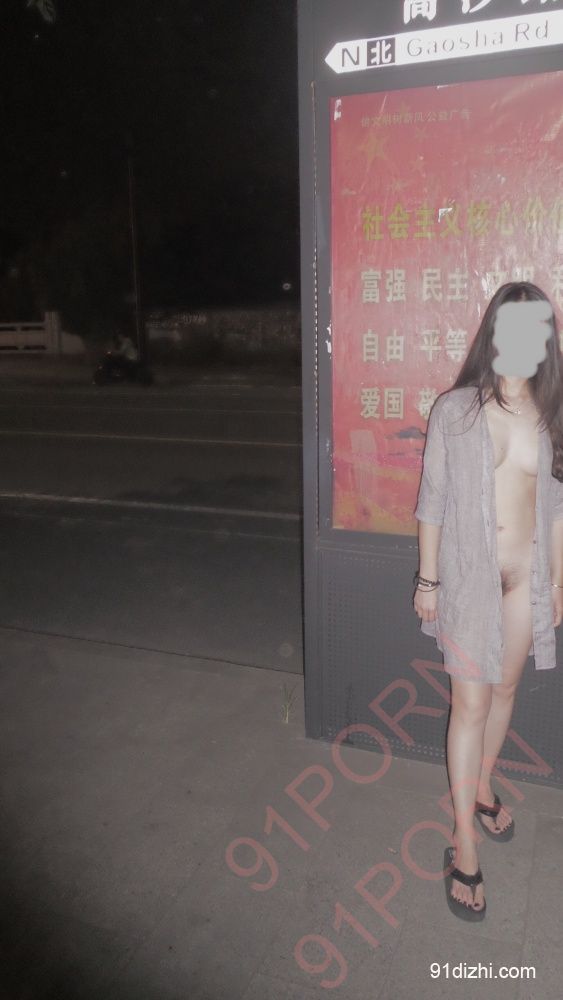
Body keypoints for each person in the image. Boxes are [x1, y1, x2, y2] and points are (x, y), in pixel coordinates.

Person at [413, 281, 563, 921]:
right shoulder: (455, 410)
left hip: (526, 581)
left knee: (503, 693)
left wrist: (558, 583)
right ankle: (463, 841)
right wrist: (428, 581)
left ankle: (481, 788)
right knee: (470, 704)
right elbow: (431, 502)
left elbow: (556, 508)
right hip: (469, 583)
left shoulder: (551, 416)